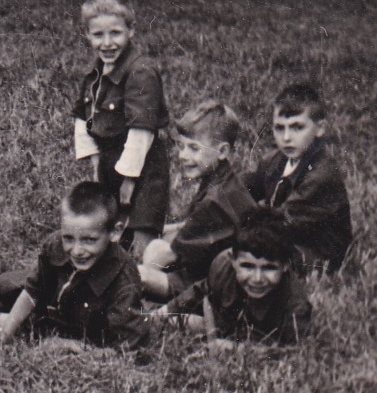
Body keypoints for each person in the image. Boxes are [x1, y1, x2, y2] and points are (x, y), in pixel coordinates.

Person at [0, 182, 149, 351]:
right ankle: (0, 312)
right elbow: (32, 292)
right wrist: (4, 338)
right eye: (68, 238)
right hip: (55, 302)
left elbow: (128, 348)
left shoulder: (124, 279)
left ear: (115, 232)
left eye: (89, 240)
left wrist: (76, 347)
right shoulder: (55, 244)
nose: (77, 250)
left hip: (74, 323)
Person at [72, 0, 171, 256]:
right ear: (87, 35)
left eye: (115, 33)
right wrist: (95, 162)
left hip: (144, 169)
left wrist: (129, 177)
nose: (107, 43)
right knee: (111, 233)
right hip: (109, 163)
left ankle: (150, 281)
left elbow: (142, 131)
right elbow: (83, 118)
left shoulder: (141, 73)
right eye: (98, 34)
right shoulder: (94, 72)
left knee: (142, 237)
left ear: (131, 31)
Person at [138, 100, 258, 301]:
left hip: (208, 284)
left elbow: (162, 257)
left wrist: (151, 249)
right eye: (182, 146)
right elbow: (190, 225)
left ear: (222, 151)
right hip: (218, 269)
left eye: (194, 148)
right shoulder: (223, 180)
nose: (183, 155)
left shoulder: (215, 201)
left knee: (139, 270)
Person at [153, 207, 313, 345]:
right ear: (233, 260)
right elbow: (200, 290)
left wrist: (236, 349)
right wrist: (164, 312)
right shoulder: (223, 265)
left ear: (285, 265)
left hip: (257, 339)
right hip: (224, 323)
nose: (257, 278)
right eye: (247, 266)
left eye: (269, 268)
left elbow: (293, 353)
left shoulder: (294, 306)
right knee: (168, 322)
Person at [244, 82, 353, 273]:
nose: (286, 137)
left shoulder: (321, 174)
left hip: (314, 256)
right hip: (282, 239)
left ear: (320, 129)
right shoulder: (275, 160)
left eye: (297, 128)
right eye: (279, 128)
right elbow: (243, 188)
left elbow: (279, 223)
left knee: (230, 255)